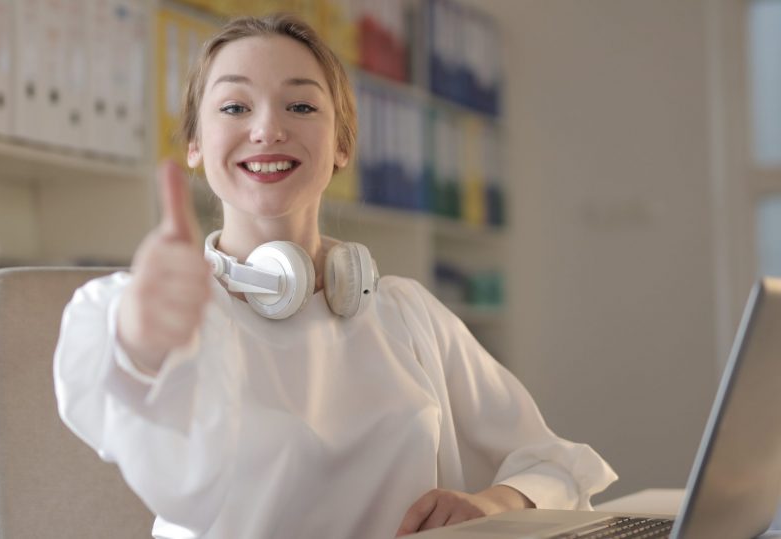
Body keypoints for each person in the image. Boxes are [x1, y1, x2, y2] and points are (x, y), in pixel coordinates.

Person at [54, 13, 617, 539]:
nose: (268, 128)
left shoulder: (405, 312)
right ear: (195, 145)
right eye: (234, 107)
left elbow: (555, 463)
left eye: (300, 107)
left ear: (342, 144)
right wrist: (141, 346)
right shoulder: (154, 312)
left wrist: (495, 502)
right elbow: (119, 394)